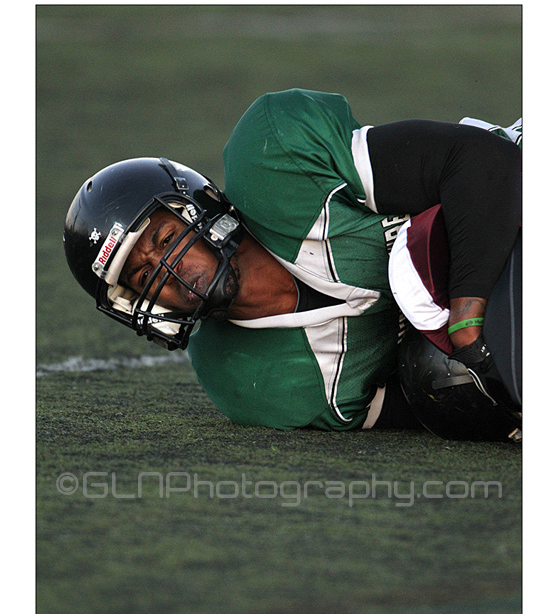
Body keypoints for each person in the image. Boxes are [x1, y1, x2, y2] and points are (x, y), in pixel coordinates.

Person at [63, 89, 522, 438]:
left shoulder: (273, 158)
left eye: (165, 240)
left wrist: (466, 320)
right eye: (144, 276)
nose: (169, 270)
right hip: (506, 331)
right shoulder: (246, 382)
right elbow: (431, 408)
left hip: (522, 198)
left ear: (198, 209)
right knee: (445, 377)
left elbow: (482, 161)